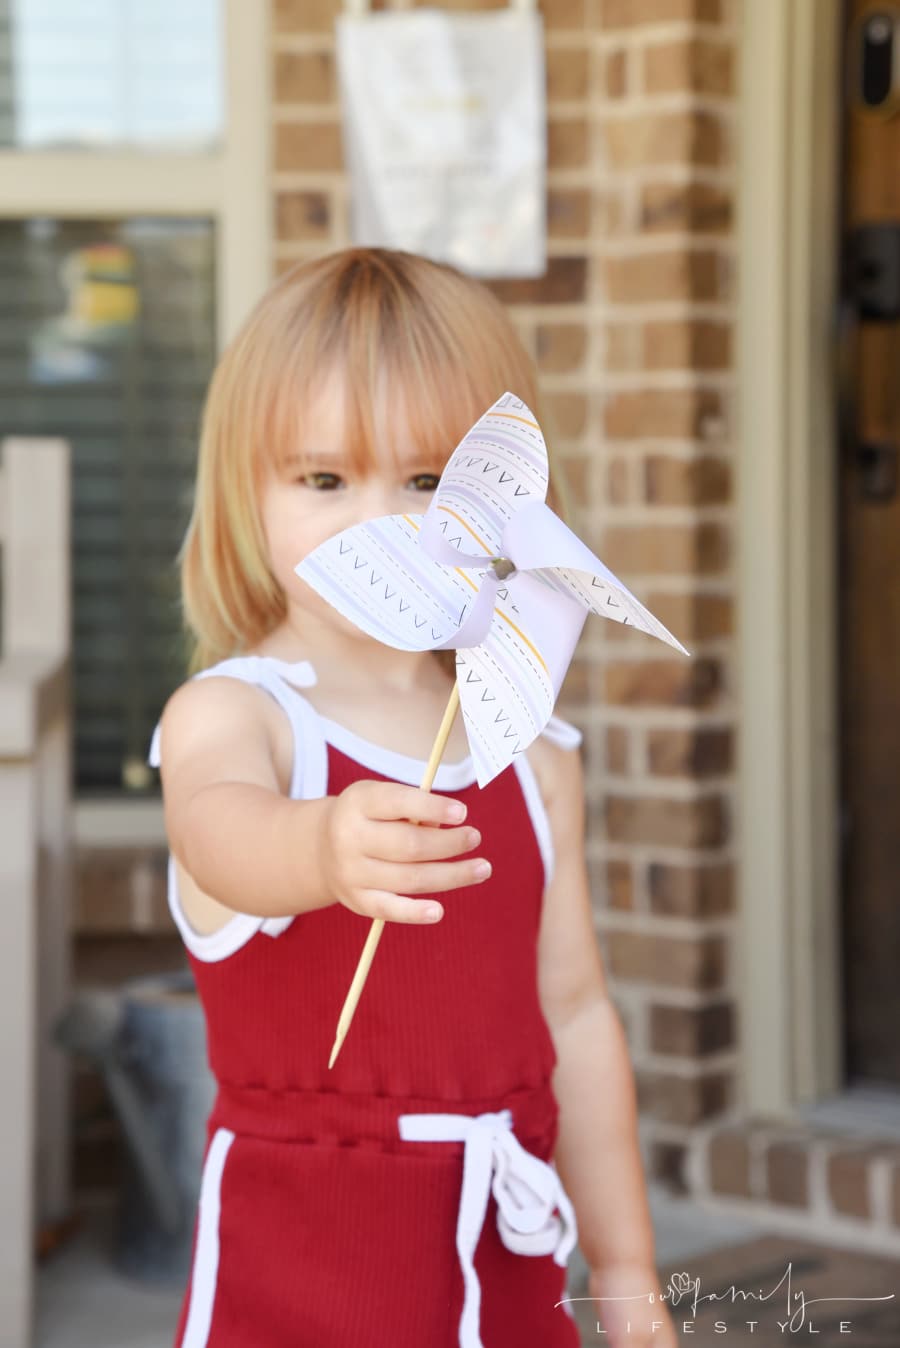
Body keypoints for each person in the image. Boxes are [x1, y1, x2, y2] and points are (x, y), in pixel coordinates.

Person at [148, 247, 678, 1348]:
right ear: (247, 488)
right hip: (310, 1266)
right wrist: (321, 846)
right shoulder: (241, 718)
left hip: (509, 1246)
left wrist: (627, 1271)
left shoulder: (533, 760)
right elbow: (216, 830)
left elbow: (572, 1013)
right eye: (325, 480)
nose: (384, 526)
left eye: (431, 481)